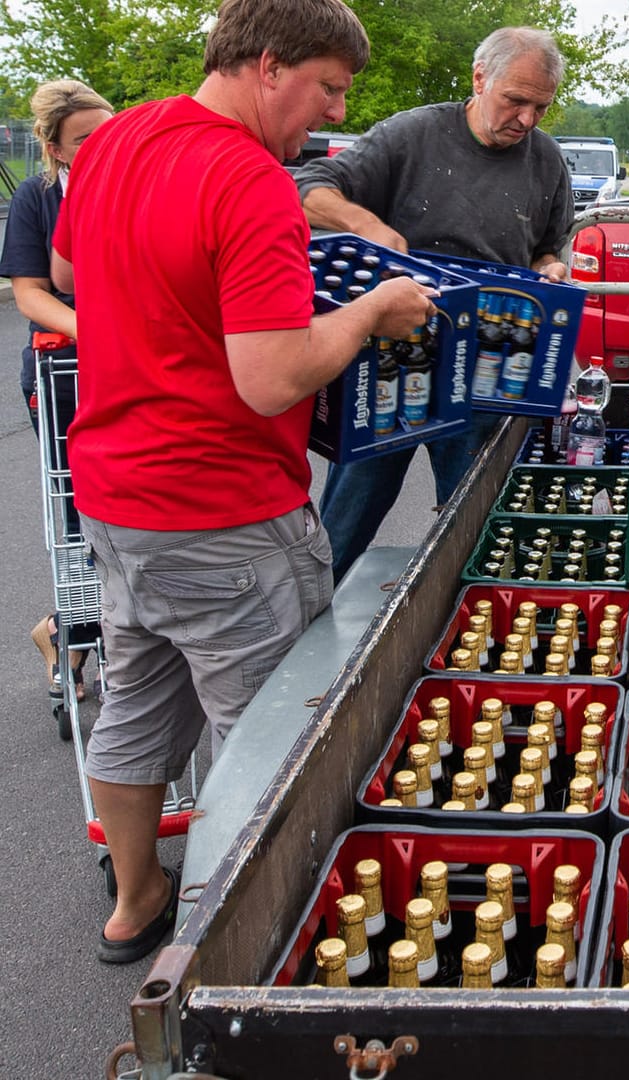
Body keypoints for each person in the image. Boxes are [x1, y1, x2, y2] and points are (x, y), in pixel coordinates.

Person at [52, 0, 438, 964]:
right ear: (270, 66)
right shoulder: (251, 180)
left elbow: (66, 266)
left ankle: (135, 903)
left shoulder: (117, 138)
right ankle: (242, 955)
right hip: (222, 509)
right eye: (328, 90)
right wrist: (368, 316)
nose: (332, 115)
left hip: (114, 492)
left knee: (137, 703)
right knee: (273, 738)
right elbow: (270, 376)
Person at [296, 26, 575, 583]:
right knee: (345, 523)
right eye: (514, 101)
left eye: (539, 106)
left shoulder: (545, 160)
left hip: (487, 365)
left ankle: (464, 636)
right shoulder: (413, 134)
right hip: (390, 358)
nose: (526, 119)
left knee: (474, 529)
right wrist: (367, 223)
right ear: (479, 79)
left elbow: (548, 244)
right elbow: (310, 185)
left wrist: (549, 269)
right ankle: (307, 634)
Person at [0, 79, 112, 701]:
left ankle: (81, 630)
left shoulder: (135, 186)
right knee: (78, 518)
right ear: (54, 146)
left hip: (133, 367)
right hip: (65, 369)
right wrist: (97, 330)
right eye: (86, 140)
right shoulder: (39, 198)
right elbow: (30, 293)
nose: (102, 148)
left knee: (128, 515)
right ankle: (71, 636)